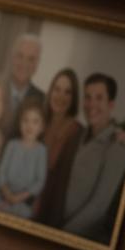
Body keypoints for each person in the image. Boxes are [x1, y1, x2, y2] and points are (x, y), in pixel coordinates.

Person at [62, 73, 125, 242]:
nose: (92, 104)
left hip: (78, 239)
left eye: (99, 98)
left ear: (111, 104)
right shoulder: (77, 134)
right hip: (55, 222)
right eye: (88, 97)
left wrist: (61, 234)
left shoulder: (117, 147)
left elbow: (98, 207)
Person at [33, 68, 83, 227]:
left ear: (73, 98)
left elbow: (63, 186)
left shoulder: (77, 131)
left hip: (48, 212)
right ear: (50, 91)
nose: (61, 97)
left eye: (67, 92)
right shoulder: (39, 121)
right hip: (22, 202)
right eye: (57, 89)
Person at [0, 98, 48, 218]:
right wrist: (6, 193)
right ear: (19, 123)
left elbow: (40, 181)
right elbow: (1, 172)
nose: (29, 125)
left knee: (23, 215)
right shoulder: (12, 145)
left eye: (35, 122)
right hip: (1, 193)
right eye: (25, 120)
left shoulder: (41, 151)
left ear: (42, 127)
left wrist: (19, 197)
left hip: (21, 199)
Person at [0, 33, 44, 137]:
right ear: (12, 58)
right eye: (20, 56)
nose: (24, 63)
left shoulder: (42, 100)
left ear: (36, 65)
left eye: (31, 59)